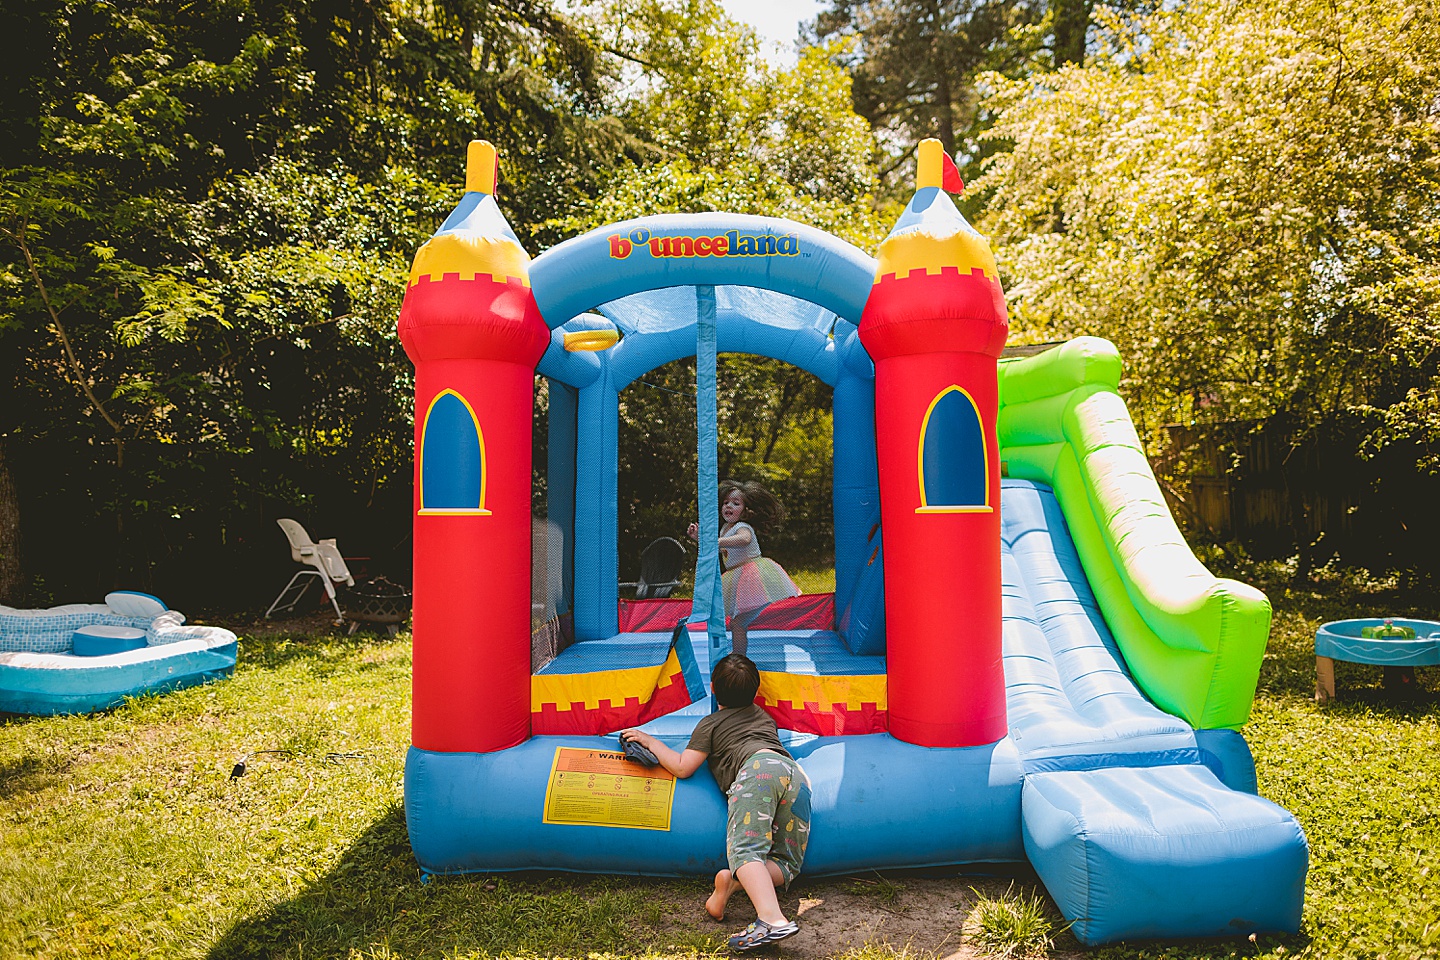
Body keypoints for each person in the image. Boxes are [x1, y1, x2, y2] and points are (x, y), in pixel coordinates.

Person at [621, 654, 811, 952]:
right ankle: (731, 886)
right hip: (794, 775)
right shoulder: (764, 716)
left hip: (756, 772)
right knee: (787, 863)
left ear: (712, 688)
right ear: (756, 691)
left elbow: (684, 767)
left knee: (745, 850)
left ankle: (772, 919)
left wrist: (651, 742)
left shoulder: (710, 725)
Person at [686, 479, 801, 656]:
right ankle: (738, 655)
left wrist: (716, 541)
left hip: (753, 575)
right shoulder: (725, 528)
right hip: (737, 576)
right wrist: (699, 539)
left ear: (745, 510)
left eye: (735, 503)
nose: (728, 506)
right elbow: (718, 547)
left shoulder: (742, 526)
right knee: (737, 623)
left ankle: (739, 657)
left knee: (738, 623)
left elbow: (744, 539)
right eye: (726, 502)